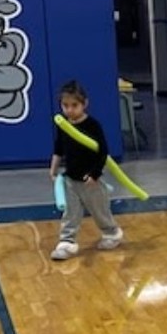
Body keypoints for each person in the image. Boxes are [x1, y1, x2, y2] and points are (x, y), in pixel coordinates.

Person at [49, 80, 123, 260]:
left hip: (91, 179)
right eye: (65, 105)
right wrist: (53, 168)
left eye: (74, 105)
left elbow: (103, 152)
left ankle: (112, 232)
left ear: (84, 104)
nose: (69, 110)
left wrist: (95, 173)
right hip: (70, 178)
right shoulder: (63, 125)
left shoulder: (93, 125)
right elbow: (59, 149)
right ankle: (67, 242)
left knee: (99, 210)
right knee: (70, 212)